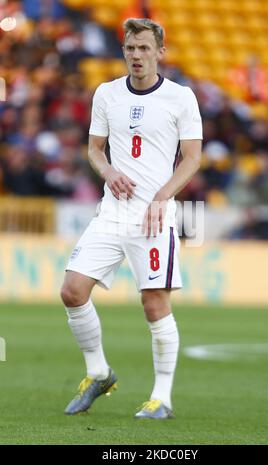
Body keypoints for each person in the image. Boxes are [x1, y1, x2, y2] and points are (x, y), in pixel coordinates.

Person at [60, 18, 202, 419]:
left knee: (154, 304)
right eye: (130, 48)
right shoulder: (106, 94)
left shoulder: (180, 98)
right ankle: (99, 373)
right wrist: (108, 172)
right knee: (72, 291)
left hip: (154, 218)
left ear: (160, 51)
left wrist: (162, 196)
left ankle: (162, 398)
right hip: (111, 213)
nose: (136, 56)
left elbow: (192, 158)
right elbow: (94, 150)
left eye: (144, 48)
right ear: (123, 51)